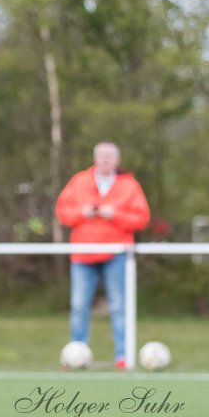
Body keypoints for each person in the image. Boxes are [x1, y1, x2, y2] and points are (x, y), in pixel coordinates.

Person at [54, 142, 150, 369]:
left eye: (110, 156)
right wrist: (82, 213)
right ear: (95, 158)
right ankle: (77, 356)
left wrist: (114, 214)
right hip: (82, 254)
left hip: (116, 254)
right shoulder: (79, 181)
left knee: (119, 306)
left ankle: (123, 357)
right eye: (102, 156)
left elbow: (142, 218)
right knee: (78, 306)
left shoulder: (129, 185)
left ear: (117, 160)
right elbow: (63, 213)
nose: (105, 160)